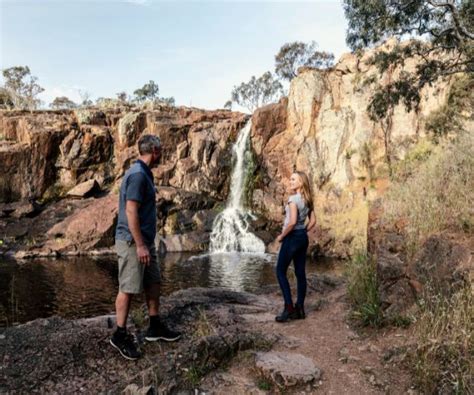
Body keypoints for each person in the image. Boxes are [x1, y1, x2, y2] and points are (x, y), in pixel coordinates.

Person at [110, 134, 181, 360]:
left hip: (144, 242)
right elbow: (131, 211)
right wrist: (140, 245)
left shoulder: (144, 173)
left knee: (153, 281)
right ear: (155, 150)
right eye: (161, 150)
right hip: (133, 242)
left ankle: (154, 326)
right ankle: (119, 334)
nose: (163, 154)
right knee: (129, 288)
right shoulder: (139, 175)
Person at [275, 171, 316, 323]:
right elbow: (313, 221)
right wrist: (303, 231)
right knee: (300, 273)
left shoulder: (293, 200)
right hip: (302, 238)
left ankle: (288, 308)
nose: (290, 181)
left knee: (280, 271)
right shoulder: (308, 199)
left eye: (293, 179)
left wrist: (282, 236)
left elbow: (292, 222)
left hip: (291, 238)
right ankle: (300, 309)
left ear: (301, 182)